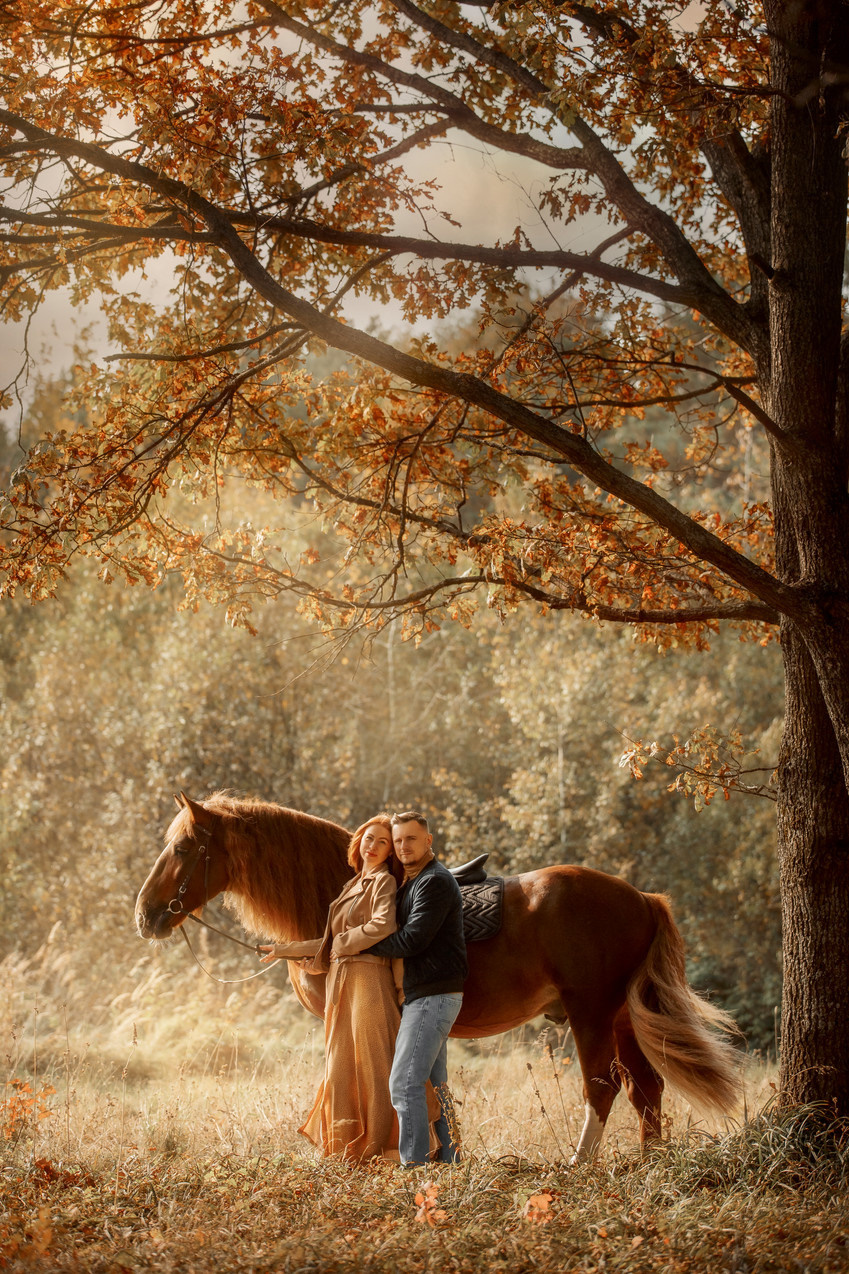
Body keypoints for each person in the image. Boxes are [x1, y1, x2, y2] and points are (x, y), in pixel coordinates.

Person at [258, 815, 438, 1162]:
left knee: (374, 1065)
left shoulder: (383, 882)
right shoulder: (353, 884)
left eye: (382, 842)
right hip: (343, 982)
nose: (372, 846)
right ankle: (345, 1148)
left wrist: (343, 942)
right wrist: (285, 949)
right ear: (359, 842)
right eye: (368, 838)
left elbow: (382, 925)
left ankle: (384, 1148)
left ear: (389, 853)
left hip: (368, 981)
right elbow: (330, 942)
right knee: (341, 1064)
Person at [366, 810, 468, 1166]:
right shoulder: (411, 882)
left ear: (428, 841)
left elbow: (413, 939)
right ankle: (454, 1166)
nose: (403, 846)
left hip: (433, 997)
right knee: (435, 1087)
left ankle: (414, 1167)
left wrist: (361, 945)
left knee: (404, 1084)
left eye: (411, 838)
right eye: (398, 840)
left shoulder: (434, 881)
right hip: (425, 997)